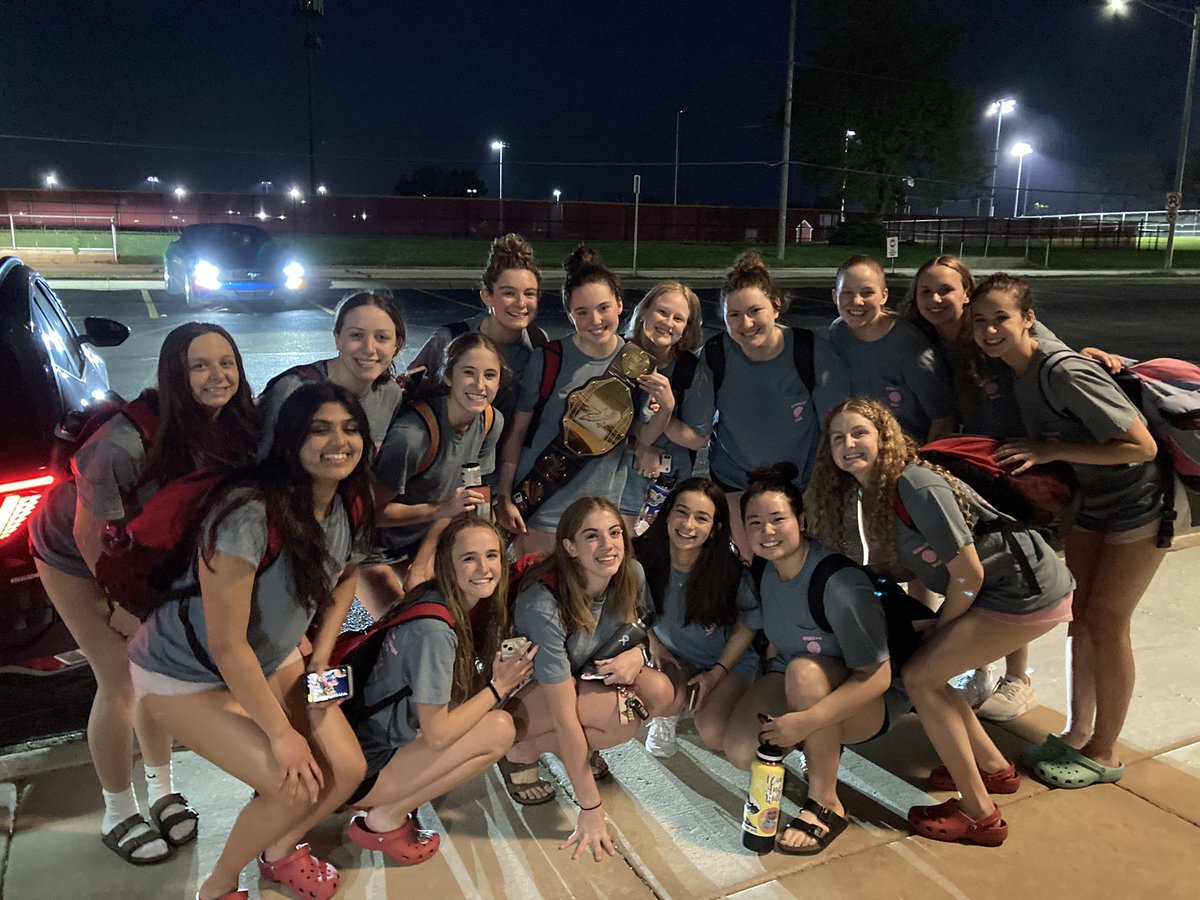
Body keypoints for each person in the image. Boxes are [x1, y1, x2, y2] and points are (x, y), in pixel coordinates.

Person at [127, 383, 373, 900]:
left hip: (272, 655)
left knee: (347, 769)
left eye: (350, 429)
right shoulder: (249, 514)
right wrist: (282, 734)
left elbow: (347, 574)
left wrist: (321, 656)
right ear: (290, 441)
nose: (339, 441)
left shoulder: (347, 502)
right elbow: (227, 644)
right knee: (290, 783)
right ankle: (218, 886)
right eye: (320, 429)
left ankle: (279, 850)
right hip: (183, 673)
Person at [29, 322, 259, 865]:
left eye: (225, 362)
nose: (216, 376)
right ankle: (117, 809)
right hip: (78, 558)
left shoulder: (235, 425)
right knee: (122, 680)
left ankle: (160, 790)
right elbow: (90, 536)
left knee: (156, 672)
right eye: (199, 366)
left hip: (149, 556)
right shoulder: (126, 443)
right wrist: (121, 606)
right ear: (173, 374)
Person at [805, 397, 1076, 846]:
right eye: (838, 438)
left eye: (859, 433)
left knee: (921, 677)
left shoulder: (915, 483)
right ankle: (993, 770)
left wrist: (943, 626)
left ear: (884, 437)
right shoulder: (878, 490)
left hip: (1022, 596)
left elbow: (969, 572)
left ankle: (980, 816)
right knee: (930, 669)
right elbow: (929, 559)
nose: (848, 444)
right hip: (1001, 590)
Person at [969, 274, 1167, 792]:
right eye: (981, 321)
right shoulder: (1018, 367)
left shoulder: (1060, 371)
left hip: (1140, 504)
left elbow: (1141, 446)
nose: (991, 330)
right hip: (1093, 503)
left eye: (1002, 319)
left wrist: (1051, 451)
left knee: (1108, 621)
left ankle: (1106, 750)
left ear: (1028, 318)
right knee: (1081, 617)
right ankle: (1079, 732)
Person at [905, 256, 1120, 721]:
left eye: (947, 289)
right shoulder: (928, 343)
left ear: (968, 292)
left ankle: (1018, 677)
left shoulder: (992, 332)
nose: (937, 300)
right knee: (980, 564)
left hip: (1022, 462)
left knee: (1021, 563)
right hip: (975, 462)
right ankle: (980, 667)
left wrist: (1093, 358)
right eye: (926, 291)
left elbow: (1042, 346)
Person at [723, 462, 908, 856]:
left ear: (801, 520)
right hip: (796, 677)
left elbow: (877, 675)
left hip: (869, 700)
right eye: (754, 523)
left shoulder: (839, 583)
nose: (766, 532)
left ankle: (826, 801)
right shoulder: (765, 570)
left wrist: (805, 721)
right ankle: (818, 743)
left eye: (778, 519)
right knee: (742, 750)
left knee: (805, 674)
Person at [345, 516, 536, 866]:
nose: (484, 568)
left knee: (473, 712)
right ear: (449, 564)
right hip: (366, 767)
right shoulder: (435, 631)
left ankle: (390, 803)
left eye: (492, 555)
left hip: (363, 743)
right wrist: (500, 687)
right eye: (469, 558)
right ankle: (385, 817)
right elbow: (437, 735)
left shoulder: (433, 597)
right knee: (500, 729)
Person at [501, 497, 674, 861]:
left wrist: (637, 655)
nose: (608, 545)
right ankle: (520, 748)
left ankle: (566, 749)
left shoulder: (631, 573)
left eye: (614, 533)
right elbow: (564, 714)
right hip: (520, 693)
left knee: (659, 691)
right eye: (592, 536)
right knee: (618, 716)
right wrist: (591, 809)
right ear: (570, 547)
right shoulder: (542, 602)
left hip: (581, 675)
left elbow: (639, 628)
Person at [705, 250, 849, 557]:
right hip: (735, 480)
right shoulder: (715, 355)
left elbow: (835, 427)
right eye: (734, 315)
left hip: (801, 483)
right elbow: (695, 422)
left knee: (799, 563)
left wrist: (820, 489)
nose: (746, 323)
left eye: (755, 310)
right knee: (748, 564)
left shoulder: (810, 352)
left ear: (776, 306)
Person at [496, 247, 634, 555]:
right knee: (537, 596)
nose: (595, 320)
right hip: (542, 507)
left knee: (589, 600)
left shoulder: (634, 363)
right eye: (582, 312)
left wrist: (664, 408)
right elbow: (518, 433)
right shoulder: (548, 359)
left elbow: (640, 437)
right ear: (569, 314)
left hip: (600, 515)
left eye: (603, 308)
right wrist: (505, 497)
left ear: (620, 305)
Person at [358, 332, 504, 615]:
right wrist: (439, 509)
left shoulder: (489, 421)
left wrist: (422, 566)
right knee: (407, 623)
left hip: (425, 539)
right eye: (468, 373)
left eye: (490, 375)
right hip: (375, 550)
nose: (480, 385)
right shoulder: (412, 437)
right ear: (448, 376)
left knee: (455, 618)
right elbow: (369, 514)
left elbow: (459, 500)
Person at [632, 478, 758, 758]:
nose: (688, 525)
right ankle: (667, 717)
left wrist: (716, 674)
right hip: (674, 655)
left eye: (701, 518)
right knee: (660, 695)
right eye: (681, 511)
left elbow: (748, 625)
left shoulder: (730, 571)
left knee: (715, 733)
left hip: (724, 662)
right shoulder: (643, 558)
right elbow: (632, 607)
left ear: (715, 529)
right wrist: (655, 645)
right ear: (667, 515)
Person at [406, 233, 547, 441]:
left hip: (500, 457)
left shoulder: (538, 343)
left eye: (529, 293)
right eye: (509, 293)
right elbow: (407, 389)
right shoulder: (450, 339)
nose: (521, 303)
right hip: (443, 451)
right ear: (487, 296)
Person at [258, 289, 406, 455]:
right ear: (337, 339)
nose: (369, 349)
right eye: (356, 335)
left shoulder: (388, 394)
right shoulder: (293, 390)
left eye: (381, 338)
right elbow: (263, 465)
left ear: (396, 345)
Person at [616, 282, 715, 528]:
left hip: (667, 487)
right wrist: (638, 447)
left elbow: (698, 438)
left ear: (686, 328)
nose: (668, 323)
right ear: (644, 311)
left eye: (678, 318)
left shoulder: (692, 371)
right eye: (662, 312)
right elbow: (595, 425)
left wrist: (666, 412)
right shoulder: (616, 355)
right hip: (615, 482)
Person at [828, 255, 954, 442]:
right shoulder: (839, 332)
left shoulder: (911, 348)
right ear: (834, 296)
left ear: (884, 296)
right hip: (863, 450)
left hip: (908, 456)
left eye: (867, 292)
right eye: (846, 292)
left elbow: (943, 419)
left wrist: (921, 466)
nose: (856, 301)